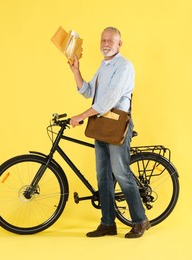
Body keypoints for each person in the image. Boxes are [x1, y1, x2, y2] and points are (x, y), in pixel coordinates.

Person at [69, 27, 150, 238]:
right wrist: (76, 71)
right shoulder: (103, 66)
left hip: (116, 125)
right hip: (102, 125)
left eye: (110, 41)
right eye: (103, 40)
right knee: (103, 176)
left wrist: (80, 116)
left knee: (121, 172)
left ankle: (140, 221)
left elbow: (106, 102)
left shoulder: (124, 67)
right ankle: (107, 223)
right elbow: (88, 92)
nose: (105, 44)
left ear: (119, 44)